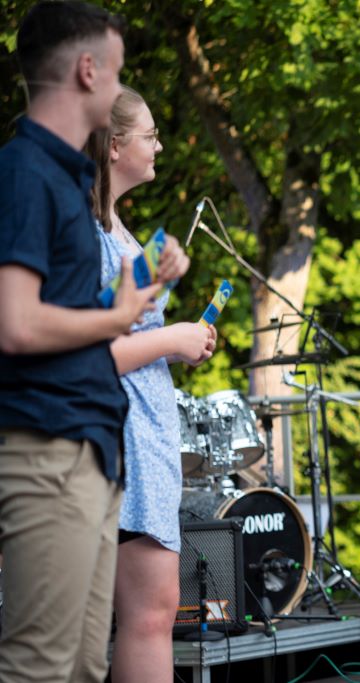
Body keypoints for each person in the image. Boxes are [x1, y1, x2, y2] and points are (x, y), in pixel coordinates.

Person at [0, 3, 183, 680]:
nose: (120, 89)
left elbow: (79, 316)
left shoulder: (64, 181)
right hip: (50, 446)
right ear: (87, 70)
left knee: (79, 663)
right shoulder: (25, 174)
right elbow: (17, 324)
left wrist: (135, 292)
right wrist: (128, 317)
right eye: (118, 71)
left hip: (91, 449)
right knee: (41, 664)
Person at [86, 85, 217, 683]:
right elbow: (86, 355)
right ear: (114, 146)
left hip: (140, 443)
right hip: (120, 444)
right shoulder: (85, 231)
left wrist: (181, 338)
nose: (160, 146)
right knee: (148, 614)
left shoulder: (113, 225)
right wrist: (172, 339)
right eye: (150, 136)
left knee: (152, 613)